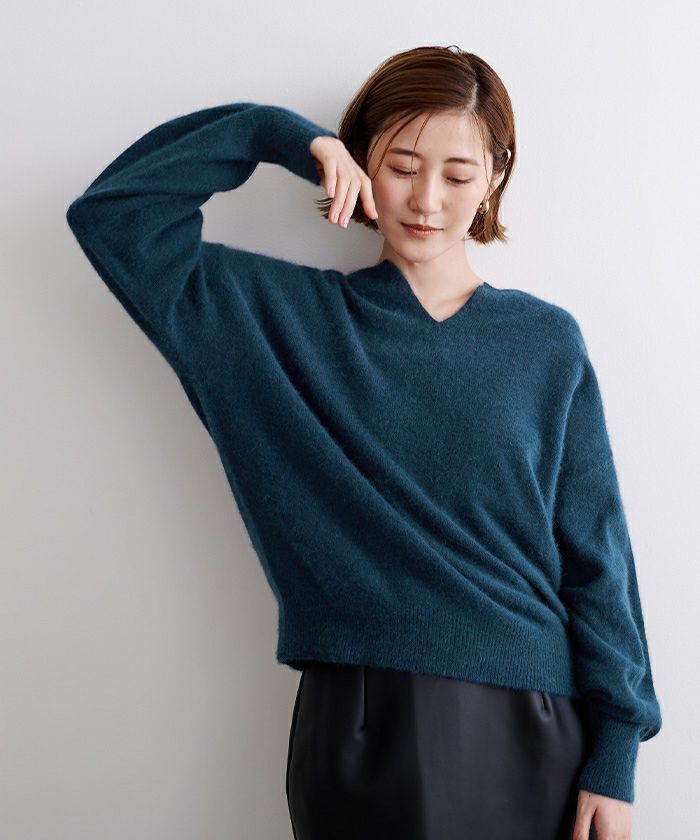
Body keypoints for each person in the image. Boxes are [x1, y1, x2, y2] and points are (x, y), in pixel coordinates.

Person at [65, 45, 661, 840]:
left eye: (458, 174)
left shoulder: (545, 342)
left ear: (495, 178)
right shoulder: (276, 323)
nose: (427, 199)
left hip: (536, 724)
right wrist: (283, 137)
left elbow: (597, 556)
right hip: (361, 720)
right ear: (357, 163)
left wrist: (616, 753)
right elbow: (114, 216)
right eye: (402, 166)